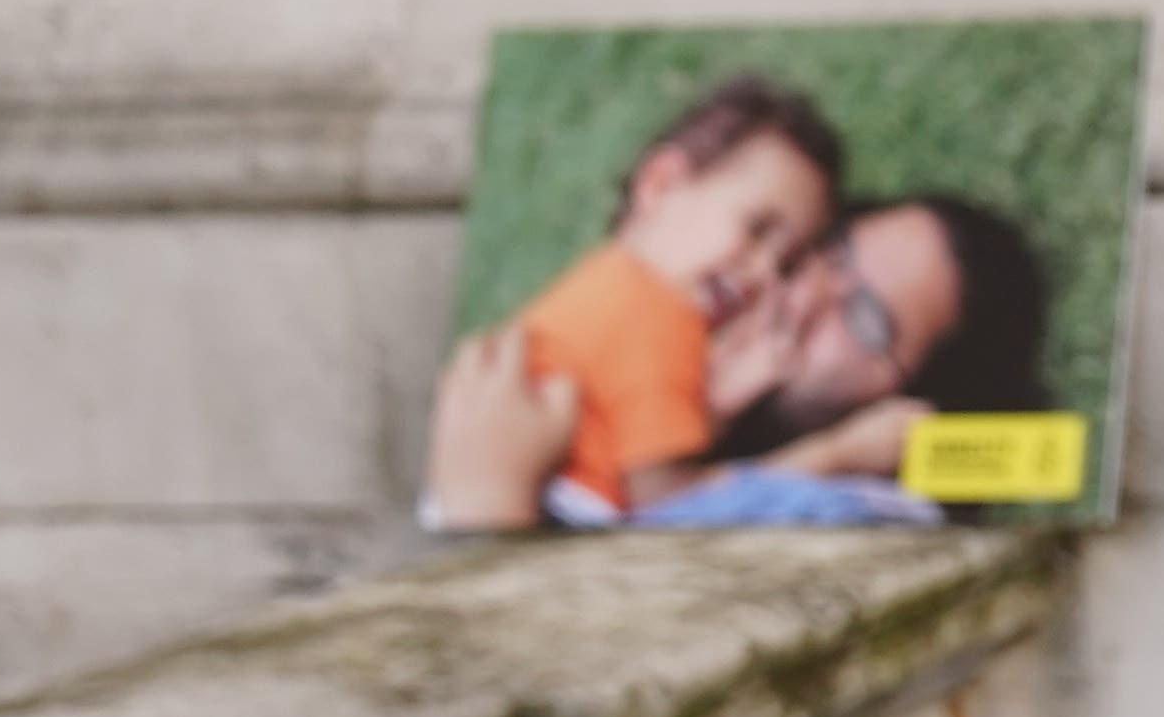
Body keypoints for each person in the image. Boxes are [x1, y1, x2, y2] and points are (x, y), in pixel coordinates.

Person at [423, 189, 1056, 531]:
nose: (805, 296)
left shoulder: (851, 521)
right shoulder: (649, 356)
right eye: (833, 255)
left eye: (867, 319)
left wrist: (485, 500)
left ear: (908, 410)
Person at [498, 73, 844, 513]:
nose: (762, 275)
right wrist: (836, 454)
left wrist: (716, 408)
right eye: (756, 229)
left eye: (785, 264)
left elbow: (628, 442)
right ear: (661, 185)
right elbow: (668, 499)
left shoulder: (605, 284)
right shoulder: (655, 312)